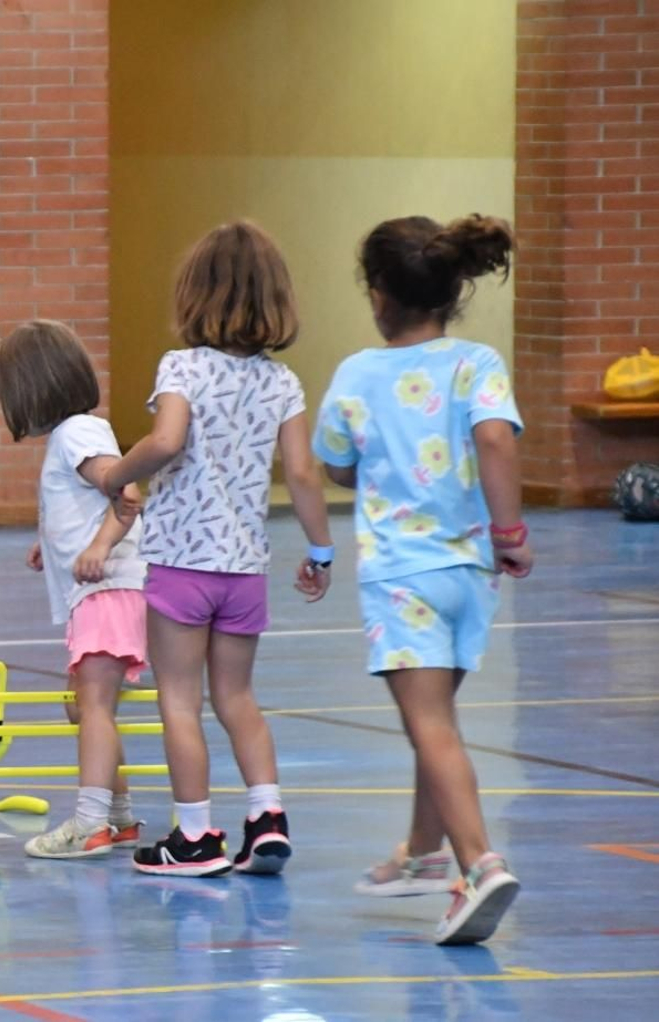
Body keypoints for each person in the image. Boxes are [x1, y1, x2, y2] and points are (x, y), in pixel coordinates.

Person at [315, 213, 528, 945]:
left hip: (403, 578)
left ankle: (479, 864)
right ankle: (423, 852)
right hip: (471, 573)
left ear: (379, 294)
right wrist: (510, 533)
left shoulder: (356, 375)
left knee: (429, 723)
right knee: (436, 719)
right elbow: (495, 439)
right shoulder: (478, 363)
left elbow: (337, 465)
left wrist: (373, 463)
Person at [102, 220, 334, 878]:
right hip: (244, 569)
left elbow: (167, 441)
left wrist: (117, 473)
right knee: (238, 697)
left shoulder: (182, 367)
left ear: (194, 294)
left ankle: (195, 835)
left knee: (179, 699)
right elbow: (302, 473)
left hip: (181, 564)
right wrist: (320, 550)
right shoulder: (283, 382)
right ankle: (267, 818)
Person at [0, 320, 151, 859]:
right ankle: (118, 816)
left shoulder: (76, 433)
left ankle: (89, 824)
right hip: (101, 595)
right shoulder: (77, 433)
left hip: (107, 593)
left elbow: (125, 491)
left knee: (94, 705)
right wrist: (53, 541)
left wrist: (98, 547)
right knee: (83, 707)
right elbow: (88, 500)